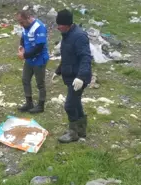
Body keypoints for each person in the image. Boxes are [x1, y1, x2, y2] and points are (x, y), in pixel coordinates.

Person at [52, 9, 92, 143]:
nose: (58, 27)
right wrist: (58, 71)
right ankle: (81, 130)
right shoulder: (67, 34)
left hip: (78, 78)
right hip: (70, 76)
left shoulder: (79, 36)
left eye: (60, 25)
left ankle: (73, 133)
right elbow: (67, 56)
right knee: (76, 103)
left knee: (69, 106)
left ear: (68, 24)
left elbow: (86, 57)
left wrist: (81, 77)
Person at [16, 10, 49, 114]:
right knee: (25, 80)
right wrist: (21, 46)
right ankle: (29, 103)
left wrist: (24, 55)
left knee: (40, 84)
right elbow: (24, 36)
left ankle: (41, 105)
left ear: (28, 17)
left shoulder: (39, 27)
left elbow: (39, 47)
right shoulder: (25, 26)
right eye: (19, 22)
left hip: (39, 60)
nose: (20, 24)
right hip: (29, 60)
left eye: (22, 22)